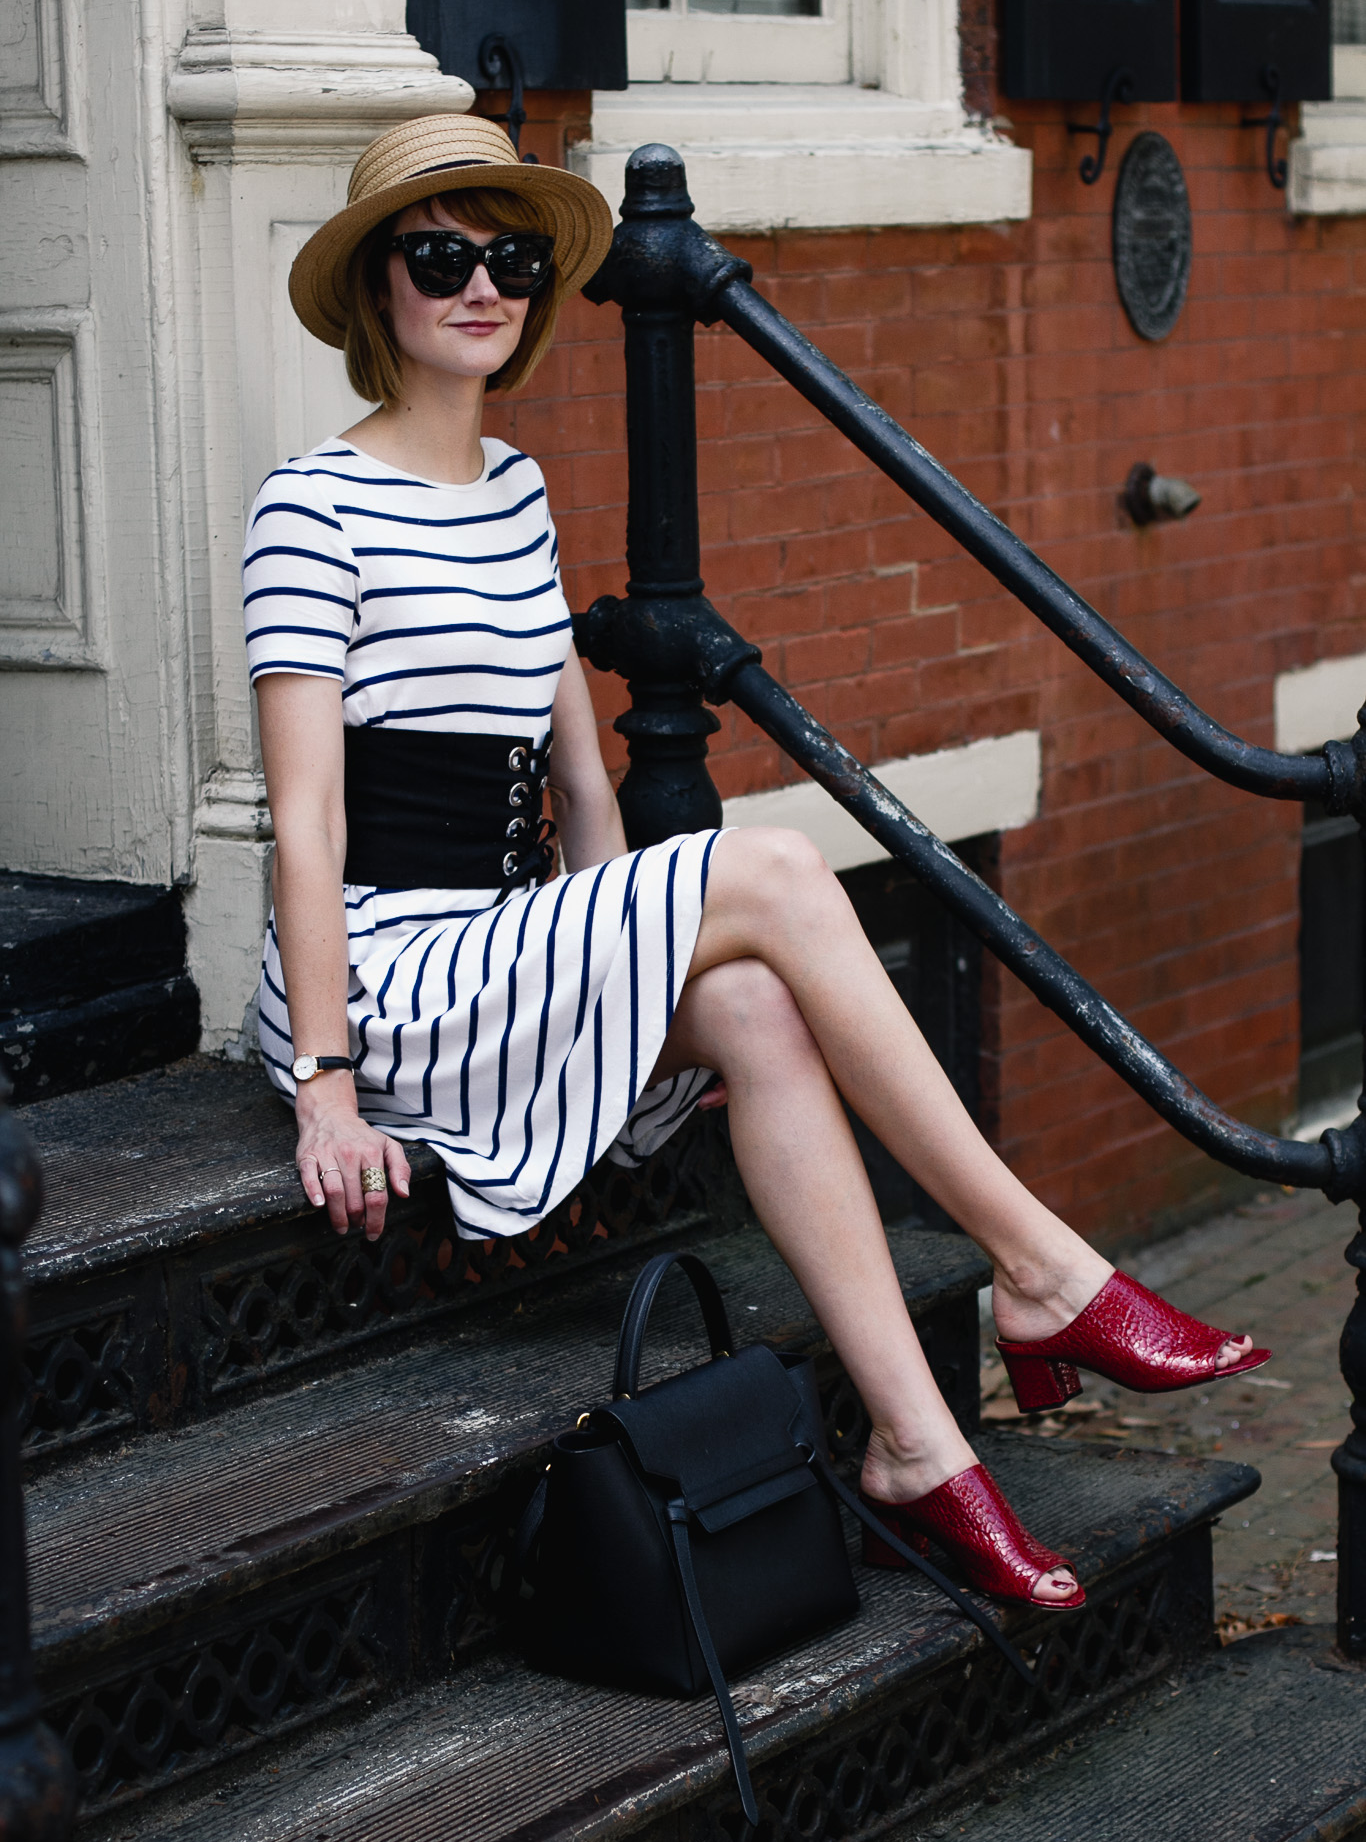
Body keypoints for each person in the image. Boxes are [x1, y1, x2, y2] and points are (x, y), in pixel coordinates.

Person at [245, 113, 1269, 1616]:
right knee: (778, 871)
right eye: (442, 254)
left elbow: (583, 788)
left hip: (499, 948)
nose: (484, 284)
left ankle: (918, 1449)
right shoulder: (310, 506)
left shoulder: (517, 491)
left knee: (759, 1009)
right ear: (372, 292)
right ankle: (1045, 1271)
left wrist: (624, 969)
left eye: (512, 256)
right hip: (380, 969)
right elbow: (305, 822)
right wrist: (325, 1087)